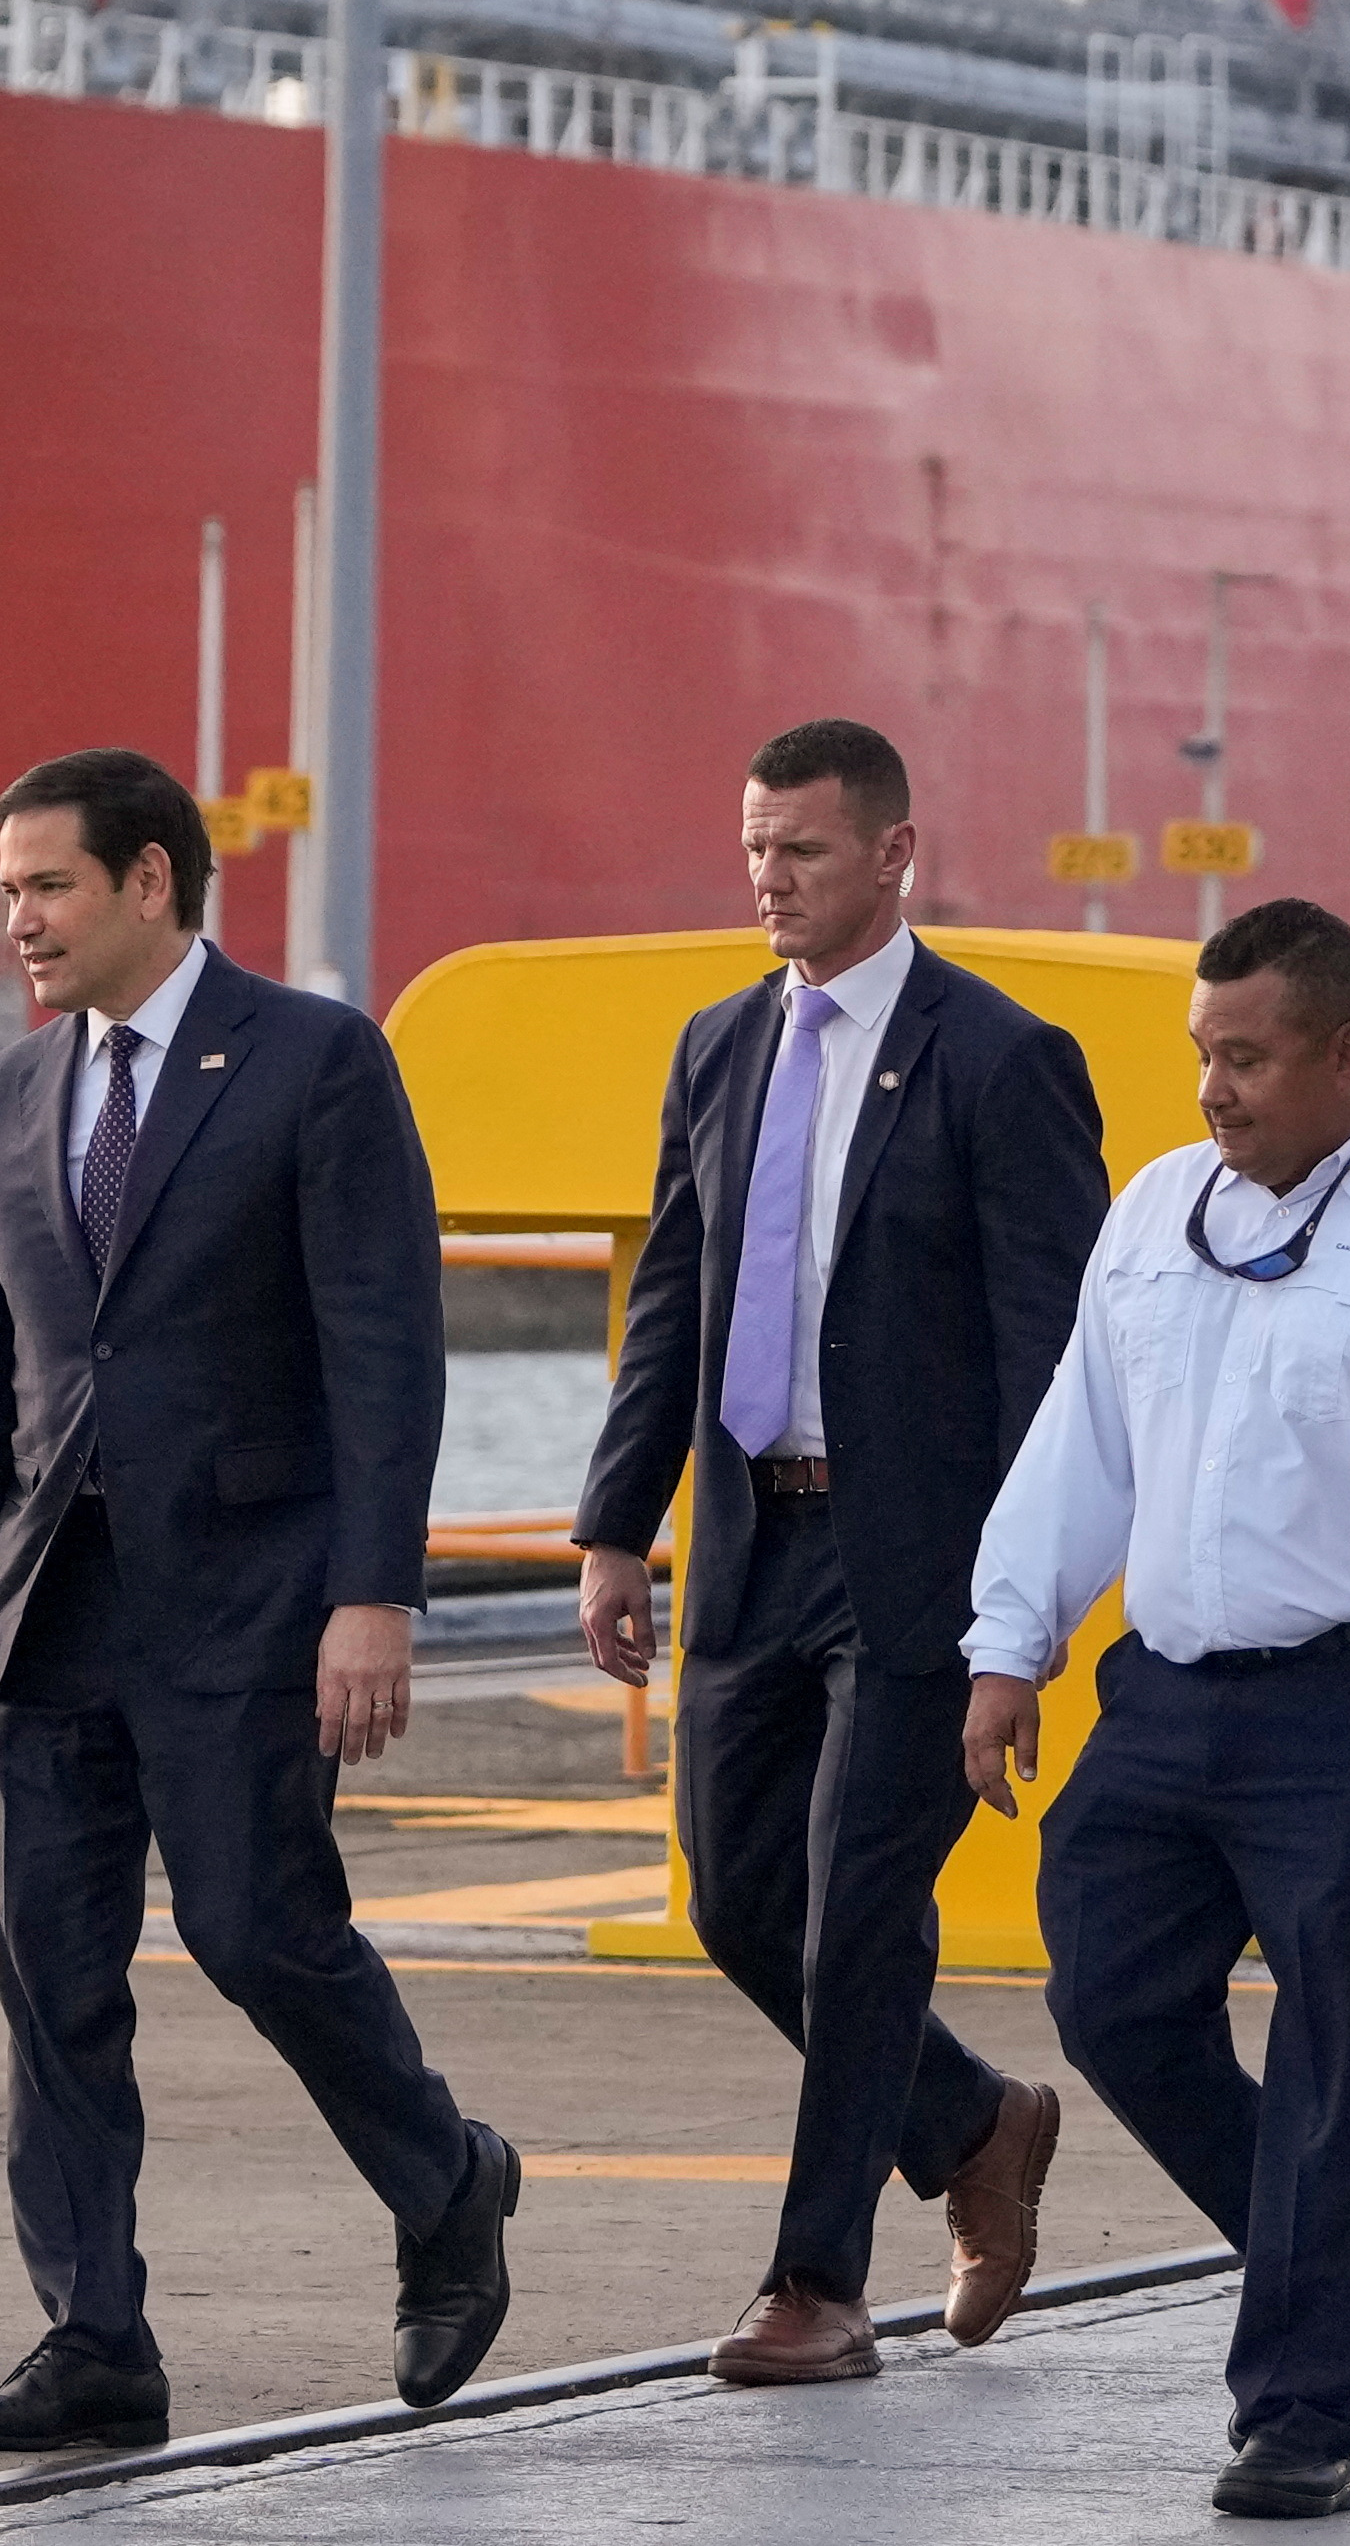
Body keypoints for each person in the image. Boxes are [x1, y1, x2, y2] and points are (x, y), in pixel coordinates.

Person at [0, 748, 520, 2452]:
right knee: (50, 1974)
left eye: (48, 885)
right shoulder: (3, 1097)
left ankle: (448, 2180)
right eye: (8, 890)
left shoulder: (314, 1060)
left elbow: (385, 1347)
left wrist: (375, 1595)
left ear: (151, 879)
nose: (19, 920)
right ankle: (94, 2336)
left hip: (248, 1598)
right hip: (47, 1608)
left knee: (256, 1929)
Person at [958, 898, 1350, 2523]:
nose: (1212, 1087)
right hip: (1172, 1691)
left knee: (1346, 2055)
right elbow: (1084, 1442)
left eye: (1245, 1057)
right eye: (1203, 1052)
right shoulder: (1155, 1213)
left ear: (1349, 1053)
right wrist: (1010, 1640)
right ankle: (1341, 2253)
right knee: (1108, 1991)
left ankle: (1300, 2407)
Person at [574, 716, 1105, 2384]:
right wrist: (615, 1523)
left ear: (892, 852)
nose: (769, 878)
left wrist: (1026, 1608)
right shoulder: (720, 1046)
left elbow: (1057, 1364)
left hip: (923, 1564)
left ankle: (817, 2282)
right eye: (753, 847)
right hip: (751, 1538)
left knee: (861, 1910)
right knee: (741, 1897)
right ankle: (974, 2119)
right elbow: (675, 1294)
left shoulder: (1001, 1059)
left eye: (799, 848)